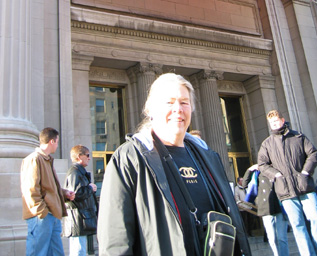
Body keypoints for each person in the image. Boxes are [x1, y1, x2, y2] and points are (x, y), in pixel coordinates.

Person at [98, 73, 251, 255]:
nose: (178, 109)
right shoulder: (128, 158)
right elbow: (115, 239)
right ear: (150, 110)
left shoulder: (209, 157)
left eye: (184, 102)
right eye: (169, 102)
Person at [258, 110, 317, 256]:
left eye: (276, 121)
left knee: (316, 217)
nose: (274, 124)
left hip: (305, 187)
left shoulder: (298, 136)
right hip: (285, 191)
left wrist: (306, 172)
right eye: (271, 122)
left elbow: (312, 153)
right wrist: (276, 175)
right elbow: (262, 164)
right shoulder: (267, 144)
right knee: (297, 225)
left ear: (282, 120)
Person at [21, 127, 75, 256]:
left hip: (52, 215)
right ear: (52, 141)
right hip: (42, 216)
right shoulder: (34, 159)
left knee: (56, 253)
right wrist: (42, 212)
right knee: (38, 253)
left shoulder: (47, 160)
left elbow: (48, 187)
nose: (57, 145)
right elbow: (31, 189)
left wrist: (64, 193)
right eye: (57, 141)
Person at [243, 164, 289, 256]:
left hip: (279, 206)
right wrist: (249, 170)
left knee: (282, 238)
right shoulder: (257, 173)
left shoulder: (278, 169)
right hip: (266, 208)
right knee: (272, 239)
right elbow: (244, 184)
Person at [63, 145, 98, 255]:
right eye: (87, 155)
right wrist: (90, 188)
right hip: (77, 219)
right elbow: (75, 194)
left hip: (81, 219)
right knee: (78, 251)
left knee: (80, 250)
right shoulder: (75, 172)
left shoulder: (79, 172)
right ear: (79, 156)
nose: (89, 158)